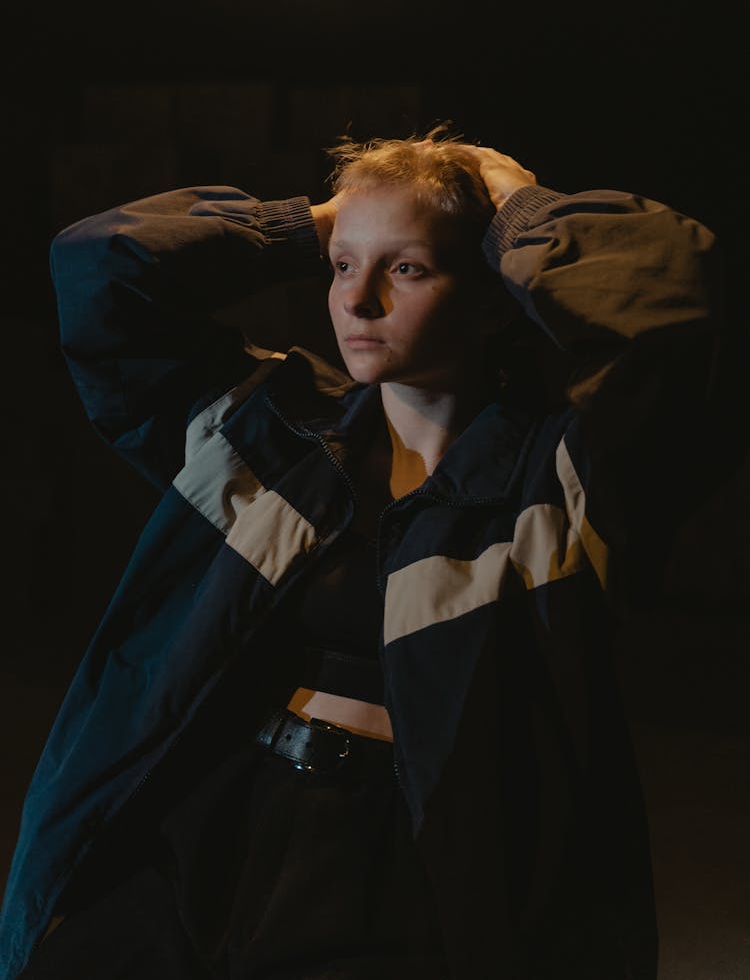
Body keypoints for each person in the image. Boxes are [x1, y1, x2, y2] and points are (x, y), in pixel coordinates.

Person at [0, 131, 722, 980]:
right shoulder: (272, 427)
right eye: (344, 266)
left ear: (493, 296)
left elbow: (669, 305)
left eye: (406, 268)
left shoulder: (561, 477)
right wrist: (311, 223)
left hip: (397, 868)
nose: (358, 300)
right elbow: (98, 271)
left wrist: (515, 208)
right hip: (207, 823)